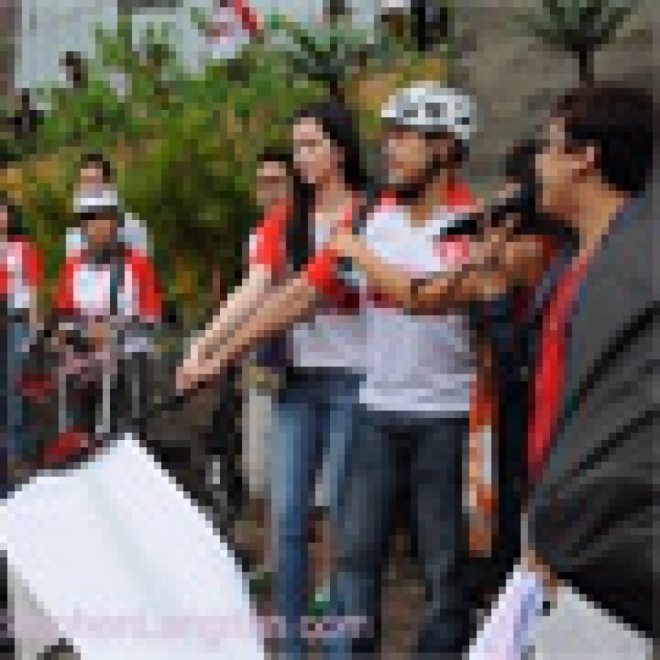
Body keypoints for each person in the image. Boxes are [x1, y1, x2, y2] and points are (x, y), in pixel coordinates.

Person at [177, 100, 370, 659]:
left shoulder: (368, 212)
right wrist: (202, 343)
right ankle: (288, 647)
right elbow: (256, 285)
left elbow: (303, 295)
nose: (301, 157)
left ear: (340, 149)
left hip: (357, 382)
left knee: (341, 521)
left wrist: (221, 354)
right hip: (298, 383)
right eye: (296, 146)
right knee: (285, 520)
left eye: (312, 144)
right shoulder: (285, 220)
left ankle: (337, 647)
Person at [523, 83, 657, 641]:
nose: (538, 163)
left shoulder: (635, 271)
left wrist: (572, 527)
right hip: (564, 516)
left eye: (548, 146)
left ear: (586, 157)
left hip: (602, 537)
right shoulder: (577, 262)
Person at [51, 191, 162, 447]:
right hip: (83, 365)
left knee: (127, 436)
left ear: (116, 223)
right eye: (88, 219)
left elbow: (153, 317)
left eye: (102, 218)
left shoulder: (136, 265)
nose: (94, 225)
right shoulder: (73, 266)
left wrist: (115, 329)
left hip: (128, 361)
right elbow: (62, 313)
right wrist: (70, 333)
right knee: (81, 437)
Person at [1, 197, 42, 494]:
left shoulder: (23, 248)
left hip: (15, 321)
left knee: (16, 386)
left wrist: (34, 326)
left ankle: (16, 457)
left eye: (3, 212)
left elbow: (31, 287)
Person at [67, 153, 150, 258]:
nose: (90, 187)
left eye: (95, 180)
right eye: (85, 181)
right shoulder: (75, 237)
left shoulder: (133, 230)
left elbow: (140, 263)